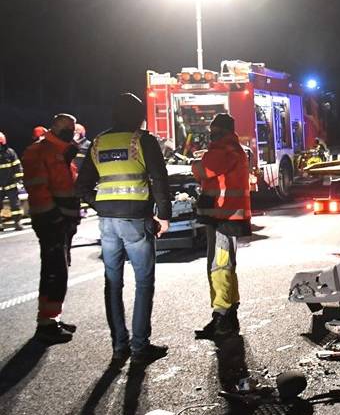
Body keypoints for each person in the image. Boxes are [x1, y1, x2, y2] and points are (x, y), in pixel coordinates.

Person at [75, 93, 172, 364]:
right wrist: (164, 215)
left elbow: (81, 186)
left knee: (112, 283)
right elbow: (158, 178)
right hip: (136, 219)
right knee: (143, 283)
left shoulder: (98, 142)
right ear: (138, 116)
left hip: (107, 222)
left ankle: (119, 346)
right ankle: (140, 347)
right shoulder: (143, 140)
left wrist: (101, 205)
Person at [21, 114, 81, 344]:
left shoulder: (63, 152)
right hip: (50, 220)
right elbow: (38, 188)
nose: (69, 130)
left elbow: (67, 185)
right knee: (55, 271)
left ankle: (51, 318)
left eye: (71, 128)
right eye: (66, 127)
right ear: (54, 126)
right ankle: (46, 323)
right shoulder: (41, 151)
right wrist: (54, 217)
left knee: (56, 269)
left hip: (61, 219)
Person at [192, 113, 251, 340]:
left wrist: (195, 163)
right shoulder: (232, 149)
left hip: (223, 217)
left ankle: (222, 317)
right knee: (225, 266)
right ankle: (227, 314)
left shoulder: (223, 150)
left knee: (220, 267)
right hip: (226, 216)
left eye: (214, 130)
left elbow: (203, 171)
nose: (211, 133)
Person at [0, 132, 24, 231]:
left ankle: (17, 222)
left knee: (15, 205)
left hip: (11, 184)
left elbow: (17, 167)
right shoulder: (10, 152)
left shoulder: (10, 152)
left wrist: (18, 180)